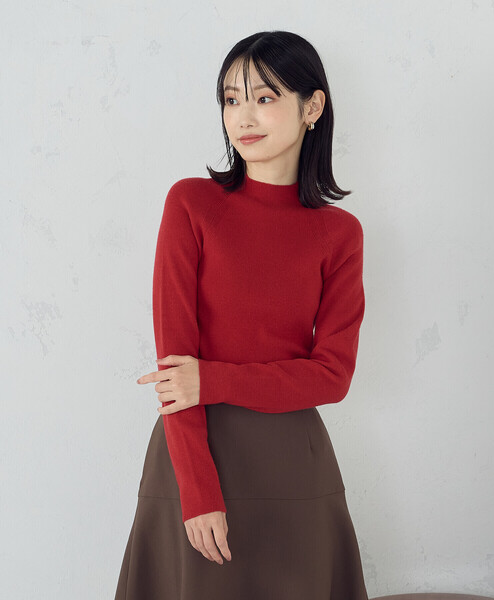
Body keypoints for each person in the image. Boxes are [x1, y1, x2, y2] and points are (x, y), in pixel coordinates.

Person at [115, 30, 369, 599]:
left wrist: (211, 379)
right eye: (231, 99)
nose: (243, 116)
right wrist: (198, 493)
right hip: (194, 459)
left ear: (313, 107)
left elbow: (332, 377)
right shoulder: (191, 204)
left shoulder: (339, 234)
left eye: (265, 97)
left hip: (294, 469)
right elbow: (174, 373)